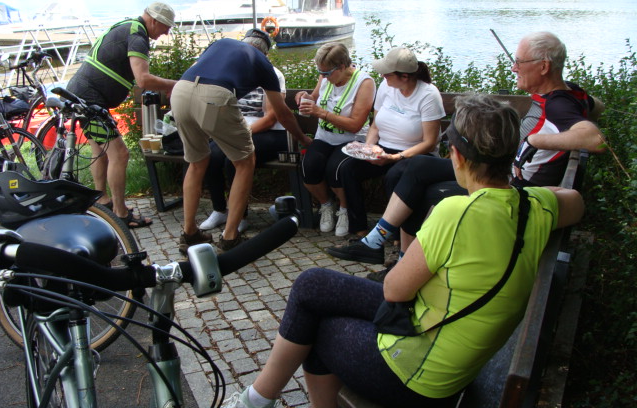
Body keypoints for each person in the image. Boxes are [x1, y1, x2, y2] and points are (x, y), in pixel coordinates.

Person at [221, 93, 585, 408]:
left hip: (421, 374)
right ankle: (258, 397)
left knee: (317, 328)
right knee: (312, 284)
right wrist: (528, 192)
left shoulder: (456, 211)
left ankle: (257, 398)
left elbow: (395, 289)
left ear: (455, 155)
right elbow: (575, 201)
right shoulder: (534, 206)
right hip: (447, 342)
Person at [329, 31, 605, 277]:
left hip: (510, 186)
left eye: (519, 62)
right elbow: (597, 106)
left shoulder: (558, 103)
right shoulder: (568, 95)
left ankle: (396, 259)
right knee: (413, 168)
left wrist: (536, 139)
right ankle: (379, 244)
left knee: (418, 189)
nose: (513, 67)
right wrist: (577, 110)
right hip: (501, 172)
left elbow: (594, 139)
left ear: (544, 67)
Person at [170, 29, 312, 253]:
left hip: (180, 91)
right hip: (214, 97)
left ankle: (189, 234)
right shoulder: (262, 63)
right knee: (245, 161)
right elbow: (283, 113)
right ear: (265, 52)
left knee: (197, 163)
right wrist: (303, 139)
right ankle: (230, 236)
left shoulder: (222, 43)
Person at [67, 2, 177, 228]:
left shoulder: (129, 26)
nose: (167, 32)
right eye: (166, 27)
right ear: (154, 21)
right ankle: (121, 213)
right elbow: (143, 80)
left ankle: (101, 203)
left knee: (100, 151)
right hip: (90, 99)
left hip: (82, 94)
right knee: (120, 153)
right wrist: (175, 84)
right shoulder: (138, 35)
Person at [330, 46, 445, 241]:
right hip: (384, 148)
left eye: (386, 74)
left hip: (416, 154)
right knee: (348, 169)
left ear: (404, 77)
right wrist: (368, 149)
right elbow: (375, 125)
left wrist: (396, 158)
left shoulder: (428, 95)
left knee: (394, 175)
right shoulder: (387, 86)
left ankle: (399, 234)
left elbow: (429, 142)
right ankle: (360, 231)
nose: (382, 76)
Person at [294, 42, 375, 236]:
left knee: (336, 169)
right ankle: (326, 205)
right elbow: (314, 97)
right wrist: (304, 97)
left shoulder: (364, 83)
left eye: (327, 73)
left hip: (353, 139)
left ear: (342, 66)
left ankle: (345, 210)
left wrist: (321, 113)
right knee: (309, 168)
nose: (323, 77)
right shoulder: (325, 77)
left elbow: (356, 124)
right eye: (320, 73)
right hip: (325, 137)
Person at [200, 68, 288, 233]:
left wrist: (241, 133)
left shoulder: (272, 75)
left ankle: (239, 216)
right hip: (236, 132)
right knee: (209, 155)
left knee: (236, 159)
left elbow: (270, 119)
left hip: (268, 133)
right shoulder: (233, 73)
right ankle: (220, 210)